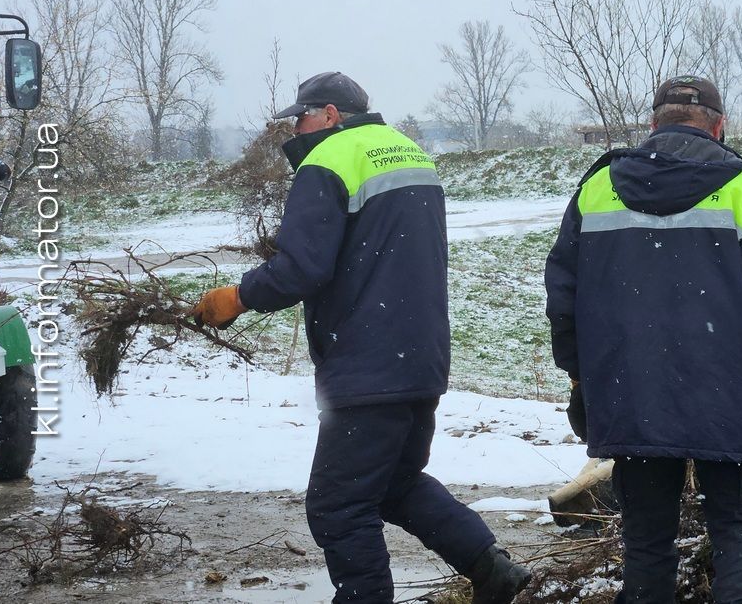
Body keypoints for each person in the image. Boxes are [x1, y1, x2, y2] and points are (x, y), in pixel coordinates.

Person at [190, 71, 530, 603]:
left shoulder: (328, 160)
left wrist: (237, 296)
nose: (294, 129)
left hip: (366, 364)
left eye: (300, 117)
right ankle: (492, 570)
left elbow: (302, 269)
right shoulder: (410, 153)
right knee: (394, 485)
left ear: (329, 115)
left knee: (338, 505)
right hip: (420, 358)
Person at [544, 75, 742, 602]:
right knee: (739, 540)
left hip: (633, 398)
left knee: (645, 547)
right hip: (727, 399)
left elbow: (563, 298)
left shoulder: (596, 189)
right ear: (720, 126)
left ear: (653, 123)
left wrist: (578, 376)